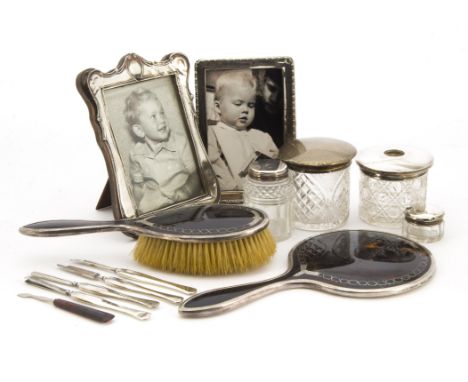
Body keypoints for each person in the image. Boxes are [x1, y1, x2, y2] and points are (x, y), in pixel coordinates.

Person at [124, 88, 201, 214]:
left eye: (162, 113)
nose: (161, 120)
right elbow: (138, 186)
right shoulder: (136, 154)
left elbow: (197, 172)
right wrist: (134, 206)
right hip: (155, 204)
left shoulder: (180, 142)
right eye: (153, 116)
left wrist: (186, 190)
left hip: (183, 198)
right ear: (139, 130)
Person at [208, 70, 279, 190]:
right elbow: (215, 168)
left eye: (251, 105)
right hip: (231, 197)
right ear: (218, 107)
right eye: (238, 103)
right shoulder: (212, 133)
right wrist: (234, 191)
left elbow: (274, 164)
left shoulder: (262, 137)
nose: (245, 110)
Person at [252, 69, 284, 148]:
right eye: (271, 88)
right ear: (263, 82)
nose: (274, 98)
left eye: (282, 93)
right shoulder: (248, 110)